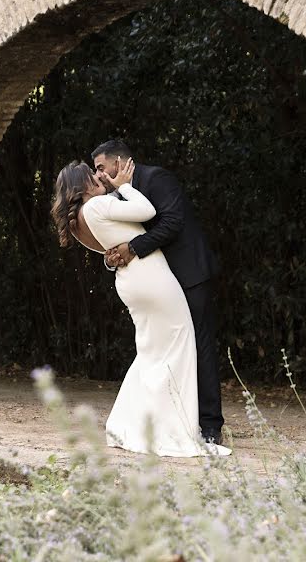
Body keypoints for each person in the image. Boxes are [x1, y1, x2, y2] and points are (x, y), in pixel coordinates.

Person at [51, 160, 230, 457]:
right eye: (92, 174)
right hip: (152, 278)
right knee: (180, 344)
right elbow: (147, 212)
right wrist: (124, 187)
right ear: (82, 185)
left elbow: (107, 248)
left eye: (98, 169)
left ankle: (130, 423)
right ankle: (175, 428)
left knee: (152, 352)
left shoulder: (81, 217)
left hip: (132, 280)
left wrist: (113, 257)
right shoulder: (97, 206)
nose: (98, 177)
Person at [91, 140, 225, 444]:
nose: (98, 175)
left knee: (200, 346)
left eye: (101, 167)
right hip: (162, 283)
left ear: (119, 162)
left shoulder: (156, 179)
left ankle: (211, 425)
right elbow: (123, 237)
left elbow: (173, 223)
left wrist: (132, 249)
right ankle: (177, 420)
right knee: (167, 350)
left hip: (189, 273)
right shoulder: (117, 196)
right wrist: (114, 256)